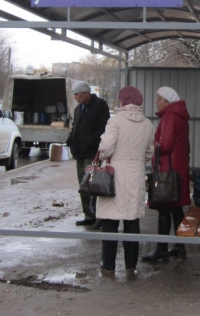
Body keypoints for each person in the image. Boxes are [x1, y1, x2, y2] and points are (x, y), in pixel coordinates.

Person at [95, 86, 154, 276]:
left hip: (114, 176)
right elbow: (150, 152)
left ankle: (108, 265)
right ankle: (131, 265)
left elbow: (105, 148)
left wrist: (104, 156)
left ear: (123, 101)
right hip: (136, 175)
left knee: (110, 222)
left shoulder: (115, 122)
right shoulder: (147, 124)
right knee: (132, 222)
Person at [142, 86, 191, 262]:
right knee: (176, 209)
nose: (156, 101)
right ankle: (180, 246)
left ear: (168, 101)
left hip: (167, 171)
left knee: (164, 209)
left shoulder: (169, 117)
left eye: (159, 98)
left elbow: (166, 145)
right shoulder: (180, 118)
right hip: (178, 169)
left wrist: (151, 145)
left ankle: (161, 248)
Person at [66, 80, 110, 227]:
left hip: (92, 152)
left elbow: (103, 127)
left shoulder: (100, 105)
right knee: (83, 185)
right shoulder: (79, 109)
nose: (76, 98)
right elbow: (75, 126)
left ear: (86, 93)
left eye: (78, 95)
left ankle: (99, 216)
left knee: (93, 184)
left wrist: (92, 142)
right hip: (79, 152)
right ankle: (88, 215)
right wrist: (71, 139)